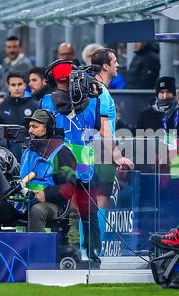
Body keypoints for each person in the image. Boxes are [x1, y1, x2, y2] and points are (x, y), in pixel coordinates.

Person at [41, 59, 102, 263]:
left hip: (58, 162)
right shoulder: (94, 99)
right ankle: (93, 256)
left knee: (64, 208)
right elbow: (95, 126)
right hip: (84, 162)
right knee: (87, 212)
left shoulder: (46, 101)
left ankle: (64, 253)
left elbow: (44, 129)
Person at [91, 48, 134, 244]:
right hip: (101, 153)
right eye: (115, 61)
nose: (118, 65)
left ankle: (88, 249)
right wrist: (117, 155)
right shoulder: (101, 93)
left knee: (90, 202)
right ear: (105, 66)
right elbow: (104, 129)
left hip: (90, 151)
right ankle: (93, 251)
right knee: (101, 200)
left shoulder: (94, 90)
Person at [20, 109, 76, 245]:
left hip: (53, 204)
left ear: (49, 128)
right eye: (29, 127)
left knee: (37, 211)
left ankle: (38, 254)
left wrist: (47, 194)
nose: (30, 130)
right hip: (24, 200)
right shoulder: (27, 152)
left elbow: (70, 187)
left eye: (35, 126)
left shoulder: (61, 152)